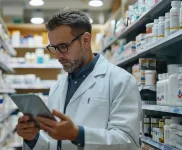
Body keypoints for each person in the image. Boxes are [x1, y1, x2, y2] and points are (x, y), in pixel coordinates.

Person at [16, 8, 141, 150]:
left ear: (86, 41)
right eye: (54, 48)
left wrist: (78, 135)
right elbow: (54, 144)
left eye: (63, 47)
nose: (57, 56)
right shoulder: (57, 87)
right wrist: (33, 138)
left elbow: (129, 142)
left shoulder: (121, 81)